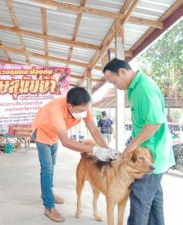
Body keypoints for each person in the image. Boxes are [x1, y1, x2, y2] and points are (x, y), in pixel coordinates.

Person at [102, 58, 175, 225]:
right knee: (153, 202)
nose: (115, 86)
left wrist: (133, 145)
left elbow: (154, 123)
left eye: (114, 81)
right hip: (148, 151)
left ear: (122, 72)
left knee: (139, 200)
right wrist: (132, 142)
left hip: (151, 156)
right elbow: (142, 123)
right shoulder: (134, 88)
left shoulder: (144, 88)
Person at [32, 87, 120, 222]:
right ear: (69, 106)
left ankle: (47, 192)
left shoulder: (83, 107)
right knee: (47, 169)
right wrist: (94, 150)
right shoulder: (56, 109)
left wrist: (107, 149)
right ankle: (49, 207)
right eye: (80, 111)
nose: (84, 113)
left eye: (86, 109)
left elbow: (94, 131)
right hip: (42, 133)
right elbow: (66, 142)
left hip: (55, 135)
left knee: (52, 166)